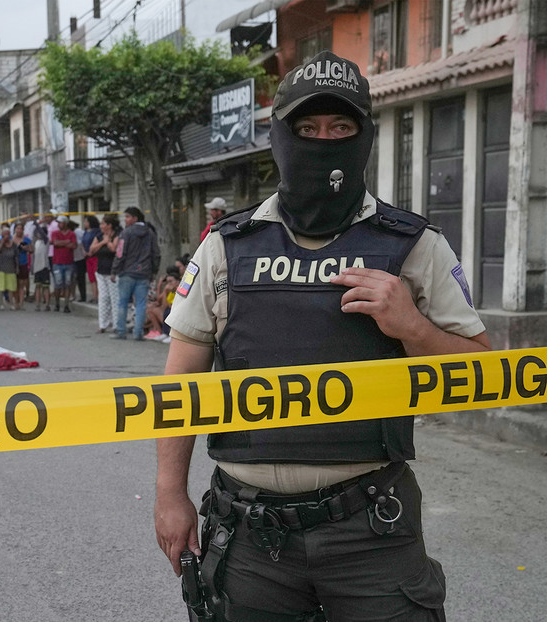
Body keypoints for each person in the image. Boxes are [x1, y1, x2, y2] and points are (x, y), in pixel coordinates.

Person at [154, 51, 490, 621]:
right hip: (248, 534)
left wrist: (412, 327)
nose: (323, 141)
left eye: (341, 128)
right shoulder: (227, 246)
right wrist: (169, 494)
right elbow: (180, 383)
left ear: (364, 136)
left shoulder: (415, 244)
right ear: (279, 136)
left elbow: (485, 374)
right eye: (306, 129)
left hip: (372, 529)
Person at [110, 206, 159, 340]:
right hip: (144, 273)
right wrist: (153, 271)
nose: (125, 219)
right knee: (141, 304)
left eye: (127, 217)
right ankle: (138, 333)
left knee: (122, 302)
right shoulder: (150, 233)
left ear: (135, 218)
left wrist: (114, 270)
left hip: (127, 273)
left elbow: (120, 253)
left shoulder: (126, 233)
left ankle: (121, 331)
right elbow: (156, 254)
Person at [88, 213, 120, 333]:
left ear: (109, 225)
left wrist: (108, 242)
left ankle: (116, 324)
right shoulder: (99, 236)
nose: (101, 226)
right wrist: (103, 242)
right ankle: (103, 324)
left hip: (112, 272)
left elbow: (114, 249)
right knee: (103, 298)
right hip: (100, 271)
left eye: (103, 224)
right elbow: (91, 250)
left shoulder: (117, 235)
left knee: (114, 298)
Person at [49, 215, 77, 313]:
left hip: (69, 262)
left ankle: (66, 305)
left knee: (68, 284)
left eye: (60, 223)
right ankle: (57, 304)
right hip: (57, 262)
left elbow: (73, 245)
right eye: (58, 223)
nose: (59, 224)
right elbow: (55, 243)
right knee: (58, 284)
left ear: (65, 223)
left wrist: (62, 243)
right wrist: (66, 242)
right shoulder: (55, 233)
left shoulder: (72, 234)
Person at [0, 225, 17, 309]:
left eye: (8, 234)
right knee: (0, 287)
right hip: (0, 267)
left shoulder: (13, 244)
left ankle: (11, 304)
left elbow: (16, 256)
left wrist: (17, 267)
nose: (7, 235)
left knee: (11, 287)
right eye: (5, 234)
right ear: (2, 234)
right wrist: (2, 242)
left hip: (10, 268)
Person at [81, 215, 101, 303]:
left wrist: (91, 251)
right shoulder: (85, 232)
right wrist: (84, 251)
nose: (85, 223)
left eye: (86, 221)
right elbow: (82, 242)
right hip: (87, 257)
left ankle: (99, 295)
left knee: (97, 276)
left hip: (95, 256)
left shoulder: (97, 232)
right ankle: (94, 296)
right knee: (91, 277)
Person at [31, 226, 50, 311]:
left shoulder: (46, 241)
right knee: (37, 286)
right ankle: (38, 304)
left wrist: (36, 223)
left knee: (45, 287)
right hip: (37, 268)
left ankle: (47, 304)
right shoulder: (36, 243)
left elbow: (43, 235)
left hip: (44, 267)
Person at [13, 222, 31, 309]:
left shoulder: (26, 239)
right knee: (15, 284)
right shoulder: (11, 239)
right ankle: (16, 302)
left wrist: (26, 248)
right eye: (18, 228)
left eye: (21, 229)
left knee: (21, 284)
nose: (19, 230)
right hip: (13, 264)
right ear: (15, 229)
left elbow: (32, 250)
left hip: (23, 262)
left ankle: (21, 303)